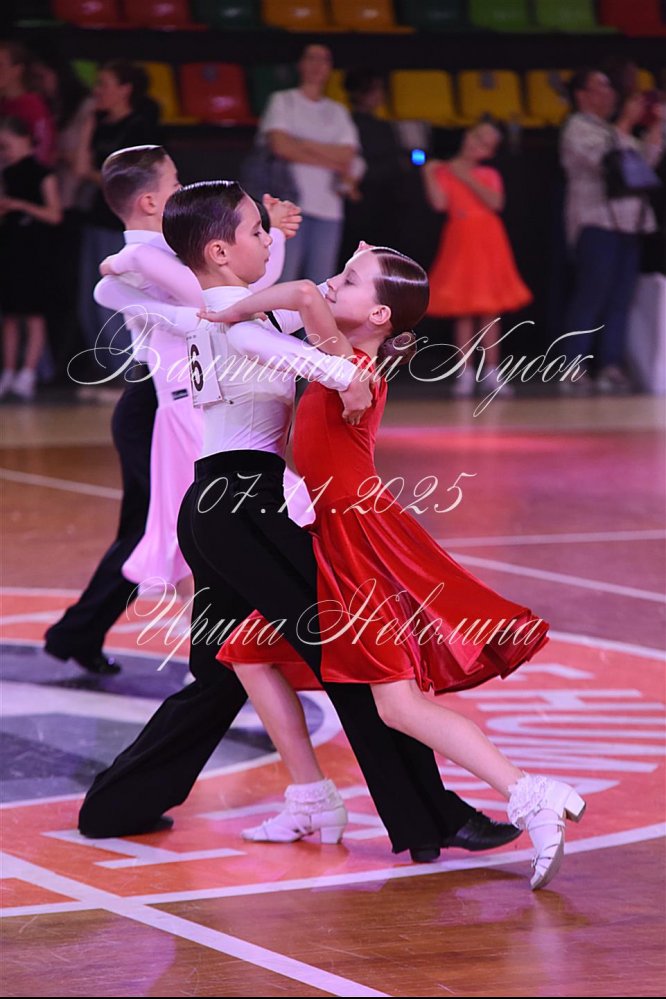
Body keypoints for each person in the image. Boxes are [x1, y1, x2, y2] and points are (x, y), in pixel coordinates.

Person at [77, 180, 522, 861]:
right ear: (220, 250)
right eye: (257, 231)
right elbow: (298, 352)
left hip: (211, 507)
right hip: (244, 506)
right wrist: (345, 374)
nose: (269, 241)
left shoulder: (209, 312)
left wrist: (133, 263)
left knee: (224, 671)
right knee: (352, 655)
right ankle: (433, 817)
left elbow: (119, 293)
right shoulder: (235, 320)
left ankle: (118, 802)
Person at [206, 248, 581, 890]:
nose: (333, 282)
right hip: (332, 538)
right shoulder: (337, 360)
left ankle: (531, 794)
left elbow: (301, 294)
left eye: (350, 280)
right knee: (247, 651)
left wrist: (228, 309)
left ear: (379, 315)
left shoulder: (348, 364)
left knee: (399, 705)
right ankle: (310, 797)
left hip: (358, 543)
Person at [97, 190, 303, 598]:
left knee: (202, 525)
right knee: (203, 524)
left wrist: (274, 235)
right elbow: (110, 287)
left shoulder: (176, 267)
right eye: (174, 180)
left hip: (196, 409)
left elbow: (254, 285)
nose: (179, 188)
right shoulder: (161, 265)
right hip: (183, 411)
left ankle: (212, 622)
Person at [560, 69, 664, 394]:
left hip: (630, 224)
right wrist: (627, 123)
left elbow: (644, 164)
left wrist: (657, 125)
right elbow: (610, 162)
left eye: (609, 87)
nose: (609, 93)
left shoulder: (614, 130)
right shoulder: (578, 128)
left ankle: (611, 366)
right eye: (600, 87)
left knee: (621, 299)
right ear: (582, 95)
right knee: (591, 295)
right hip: (596, 224)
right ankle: (573, 366)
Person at [423, 121, 532, 399]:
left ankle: (493, 371)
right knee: (463, 308)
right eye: (477, 137)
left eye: (485, 143)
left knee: (489, 309)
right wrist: (430, 174)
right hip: (460, 238)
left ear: (490, 152)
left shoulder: (488, 173)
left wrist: (464, 175)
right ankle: (465, 373)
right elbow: (439, 203)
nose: (477, 144)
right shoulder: (445, 171)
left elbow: (495, 202)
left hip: (487, 239)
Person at [74, 60, 157, 374]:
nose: (97, 91)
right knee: (93, 296)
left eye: (104, 84)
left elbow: (134, 181)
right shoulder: (99, 124)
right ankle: (108, 371)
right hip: (97, 216)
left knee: (122, 295)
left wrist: (98, 177)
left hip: (121, 224)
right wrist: (87, 126)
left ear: (125, 89)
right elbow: (80, 169)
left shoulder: (139, 128)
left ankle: (127, 371)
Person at [259, 44, 361, 284]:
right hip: (289, 205)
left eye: (324, 60)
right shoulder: (283, 101)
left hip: (328, 208)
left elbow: (347, 154)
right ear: (300, 64)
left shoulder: (337, 111)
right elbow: (280, 147)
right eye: (312, 58)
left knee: (321, 283)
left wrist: (301, 143)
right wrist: (331, 160)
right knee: (282, 278)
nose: (317, 65)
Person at [0, 116, 62, 401]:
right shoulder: (6, 174)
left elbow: (54, 214)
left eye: (7, 145)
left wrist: (21, 205)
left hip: (34, 252)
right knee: (11, 316)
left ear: (25, 140)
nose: (4, 152)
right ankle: (8, 371)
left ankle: (28, 372)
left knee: (34, 315)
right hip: (10, 248)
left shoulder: (42, 174)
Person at [0, 41, 56, 167]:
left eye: (0, 65)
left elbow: (44, 147)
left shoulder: (32, 105)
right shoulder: (3, 104)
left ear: (17, 70)